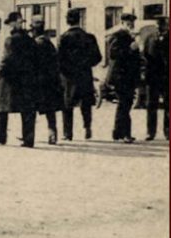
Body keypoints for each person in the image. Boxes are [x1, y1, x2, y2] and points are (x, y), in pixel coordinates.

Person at [0, 12, 39, 147]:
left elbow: (6, 60)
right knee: (28, 110)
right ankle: (28, 139)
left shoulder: (10, 40)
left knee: (1, 108)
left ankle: (1, 138)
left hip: (9, 79)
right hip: (27, 79)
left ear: (13, 24)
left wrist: (1, 73)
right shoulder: (30, 40)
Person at [58, 9, 102, 141]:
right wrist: (85, 64)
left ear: (67, 21)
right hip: (85, 75)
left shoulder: (64, 38)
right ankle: (87, 127)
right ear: (80, 19)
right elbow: (98, 57)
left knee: (67, 105)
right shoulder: (89, 37)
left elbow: (59, 59)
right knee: (86, 103)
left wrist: (67, 69)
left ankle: (67, 133)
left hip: (69, 76)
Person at [107, 13, 141, 143]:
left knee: (124, 104)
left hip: (128, 76)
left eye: (132, 23)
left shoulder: (130, 36)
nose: (130, 25)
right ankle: (125, 133)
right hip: (121, 76)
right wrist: (130, 49)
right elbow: (113, 54)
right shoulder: (119, 35)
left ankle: (117, 132)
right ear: (122, 23)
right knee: (124, 104)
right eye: (128, 23)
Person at [31, 16, 63, 145]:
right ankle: (52, 133)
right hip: (50, 81)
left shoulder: (35, 44)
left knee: (31, 109)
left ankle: (28, 135)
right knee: (50, 110)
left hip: (37, 81)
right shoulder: (49, 43)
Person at [143, 15, 169, 141]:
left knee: (168, 105)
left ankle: (168, 131)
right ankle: (150, 132)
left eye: (162, 24)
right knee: (150, 105)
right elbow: (145, 56)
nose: (159, 26)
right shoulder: (149, 38)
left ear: (167, 25)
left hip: (167, 76)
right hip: (152, 77)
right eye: (157, 24)